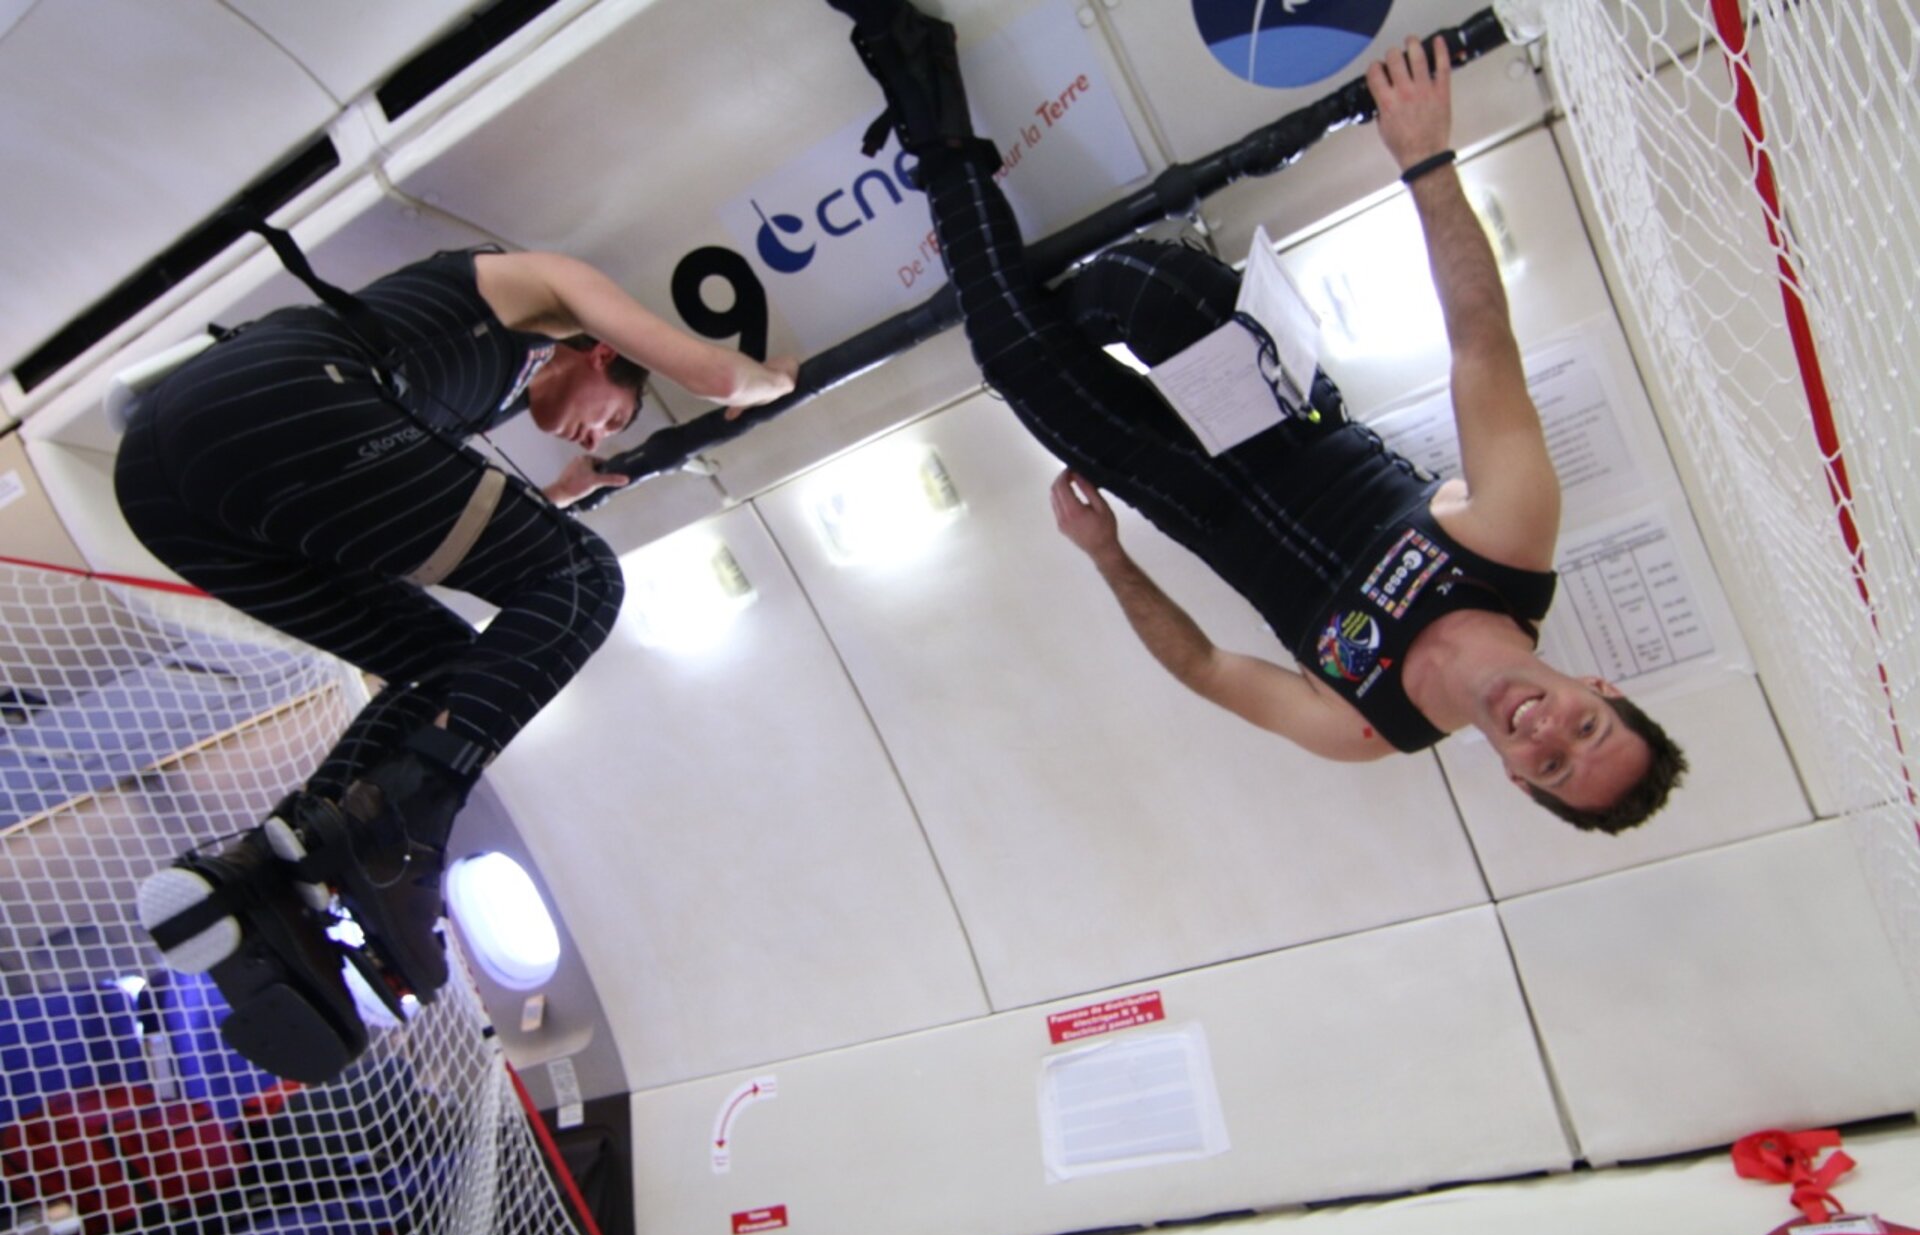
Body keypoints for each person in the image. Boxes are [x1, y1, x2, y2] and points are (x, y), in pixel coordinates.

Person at [825, 0, 1685, 833]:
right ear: (1600, 687)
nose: (1545, 732)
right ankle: (1042, 293)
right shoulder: (1514, 542)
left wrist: (1109, 558)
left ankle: (910, 63)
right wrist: (1426, 161)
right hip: (1272, 420)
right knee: (1141, 285)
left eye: (1552, 768)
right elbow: (1481, 346)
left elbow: (1206, 667)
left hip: (1187, 497)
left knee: (1011, 358)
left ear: (1516, 780)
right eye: (1585, 729)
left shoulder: (1367, 728)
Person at [119, 245, 796, 1082]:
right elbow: (717, 380)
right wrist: (768, 380)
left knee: (445, 663)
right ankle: (399, 834)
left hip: (168, 487)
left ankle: (263, 867)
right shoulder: (545, 284)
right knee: (581, 579)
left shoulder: (453, 393)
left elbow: (402, 509)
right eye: (618, 416)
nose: (602, 432)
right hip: (276, 401)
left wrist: (555, 500)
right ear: (602, 351)